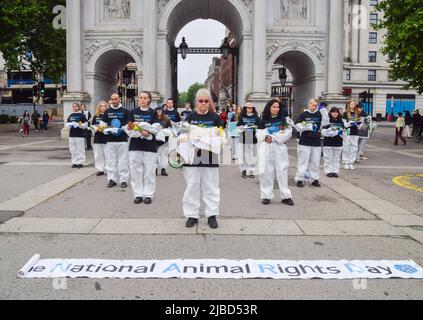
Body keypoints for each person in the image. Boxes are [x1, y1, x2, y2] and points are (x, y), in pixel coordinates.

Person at [183, 88, 223, 229]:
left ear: (209, 102)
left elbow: (222, 136)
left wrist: (213, 138)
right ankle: (192, 215)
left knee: (211, 187)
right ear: (196, 102)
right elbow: (183, 135)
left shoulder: (215, 118)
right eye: (201, 101)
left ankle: (212, 215)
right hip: (193, 157)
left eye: (206, 101)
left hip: (210, 157)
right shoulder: (190, 117)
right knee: (192, 186)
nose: (204, 103)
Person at [257, 99, 294, 206]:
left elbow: (287, 133)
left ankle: (285, 196)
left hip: (279, 147)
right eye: (274, 107)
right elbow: (258, 134)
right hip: (266, 148)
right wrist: (267, 134)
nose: (276, 109)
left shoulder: (283, 120)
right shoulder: (263, 120)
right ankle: (266, 195)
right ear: (269, 108)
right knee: (266, 172)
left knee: (282, 170)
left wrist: (273, 137)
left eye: (278, 107)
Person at [128, 91, 160, 205]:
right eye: (140, 97)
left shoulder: (153, 113)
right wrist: (142, 132)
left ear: (149, 100)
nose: (142, 100)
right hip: (135, 146)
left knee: (149, 172)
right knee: (135, 171)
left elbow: (156, 128)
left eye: (145, 98)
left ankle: (148, 194)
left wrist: (143, 127)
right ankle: (138, 194)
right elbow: (129, 129)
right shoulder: (132, 112)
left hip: (150, 147)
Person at [294, 98, 329, 187]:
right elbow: (297, 126)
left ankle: (314, 179)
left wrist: (324, 111)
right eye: (312, 104)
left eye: (315, 105)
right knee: (303, 161)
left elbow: (325, 122)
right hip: (305, 140)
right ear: (309, 104)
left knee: (315, 161)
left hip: (316, 140)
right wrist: (309, 126)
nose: (314, 106)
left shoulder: (319, 114)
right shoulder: (303, 115)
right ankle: (300, 179)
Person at [100, 93, 130, 189]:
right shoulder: (107, 111)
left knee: (123, 161)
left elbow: (129, 125)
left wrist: (122, 129)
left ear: (119, 99)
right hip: (110, 140)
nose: (114, 101)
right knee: (110, 160)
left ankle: (123, 180)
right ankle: (112, 179)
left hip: (122, 140)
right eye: (112, 99)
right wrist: (106, 129)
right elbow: (102, 124)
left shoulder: (126, 111)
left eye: (116, 99)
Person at [236, 102, 260, 178]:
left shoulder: (256, 117)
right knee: (243, 154)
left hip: (253, 137)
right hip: (244, 137)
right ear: (245, 108)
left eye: (251, 107)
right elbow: (237, 127)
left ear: (253, 108)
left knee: (252, 155)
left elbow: (260, 127)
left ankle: (251, 170)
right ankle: (244, 170)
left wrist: (255, 127)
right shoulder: (242, 117)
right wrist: (244, 127)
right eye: (248, 107)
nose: (249, 109)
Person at [321, 107, 344, 178]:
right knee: (328, 158)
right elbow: (324, 132)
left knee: (336, 158)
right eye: (333, 112)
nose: (335, 113)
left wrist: (342, 132)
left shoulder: (340, 121)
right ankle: (328, 171)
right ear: (330, 113)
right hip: (328, 142)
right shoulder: (327, 121)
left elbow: (344, 131)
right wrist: (336, 132)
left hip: (338, 142)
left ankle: (335, 171)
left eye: (336, 112)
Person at [66, 103, 88, 168]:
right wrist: (70, 125)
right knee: (72, 149)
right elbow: (67, 124)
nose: (74, 108)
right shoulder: (71, 115)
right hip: (72, 134)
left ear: (78, 107)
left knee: (80, 149)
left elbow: (86, 125)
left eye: (75, 106)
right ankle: (74, 162)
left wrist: (78, 125)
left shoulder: (82, 115)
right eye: (73, 106)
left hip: (80, 134)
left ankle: (81, 162)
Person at [342, 100, 361, 170]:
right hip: (348, 131)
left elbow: (359, 123)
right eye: (352, 104)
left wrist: (359, 124)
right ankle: (346, 162)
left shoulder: (357, 113)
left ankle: (351, 162)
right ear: (348, 105)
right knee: (346, 147)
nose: (353, 105)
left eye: (354, 104)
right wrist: (350, 123)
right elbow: (344, 124)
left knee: (354, 148)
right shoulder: (345, 113)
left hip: (355, 131)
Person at [91, 101, 108, 176]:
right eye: (101, 106)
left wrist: (105, 128)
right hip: (98, 137)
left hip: (106, 137)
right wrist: (95, 128)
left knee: (107, 154)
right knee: (98, 154)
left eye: (104, 106)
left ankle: (108, 169)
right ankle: (100, 169)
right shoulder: (96, 116)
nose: (103, 107)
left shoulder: (108, 115)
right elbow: (92, 126)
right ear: (99, 107)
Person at [154, 106, 171, 177]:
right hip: (155, 140)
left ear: (162, 111)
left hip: (164, 140)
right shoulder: (153, 119)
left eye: (160, 110)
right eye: (157, 110)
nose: (159, 112)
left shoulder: (166, 119)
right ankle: (155, 169)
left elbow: (170, 129)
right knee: (155, 156)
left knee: (163, 156)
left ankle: (163, 169)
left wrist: (164, 130)